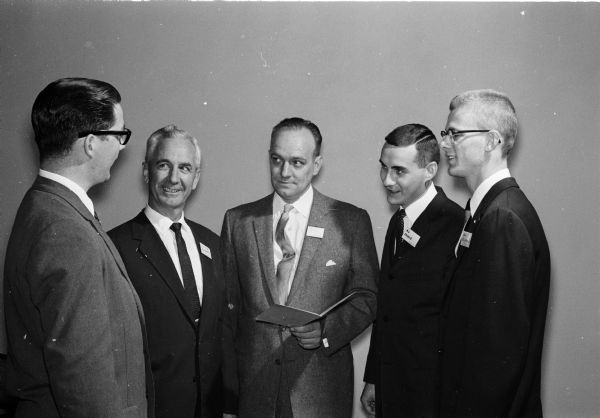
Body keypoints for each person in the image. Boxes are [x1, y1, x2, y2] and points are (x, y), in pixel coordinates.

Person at [3, 77, 152, 417]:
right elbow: (84, 381)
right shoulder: (66, 229)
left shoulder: (45, 206)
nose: (122, 147)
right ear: (90, 144)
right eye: (119, 135)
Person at [220, 117, 378, 418]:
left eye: (297, 162)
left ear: (316, 165)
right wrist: (228, 396)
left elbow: (368, 296)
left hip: (320, 391)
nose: (284, 172)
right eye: (277, 160)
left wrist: (325, 331)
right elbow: (226, 316)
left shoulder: (350, 221)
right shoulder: (237, 222)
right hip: (254, 391)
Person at [109, 125, 237, 418]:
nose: (174, 178)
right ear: (146, 172)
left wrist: (230, 403)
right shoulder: (116, 246)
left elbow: (222, 331)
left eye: (185, 168)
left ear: (196, 178)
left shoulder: (213, 244)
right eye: (163, 165)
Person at [438, 89, 551, 417]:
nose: (445, 143)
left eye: (455, 134)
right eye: (446, 134)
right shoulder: (487, 211)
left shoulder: (502, 218)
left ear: (491, 141)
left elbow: (497, 358)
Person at [361, 124, 463, 417]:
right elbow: (387, 309)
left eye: (399, 171)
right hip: (392, 385)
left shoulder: (455, 224)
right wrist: (374, 377)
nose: (386, 180)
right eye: (383, 168)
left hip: (431, 392)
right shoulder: (399, 221)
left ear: (430, 170)